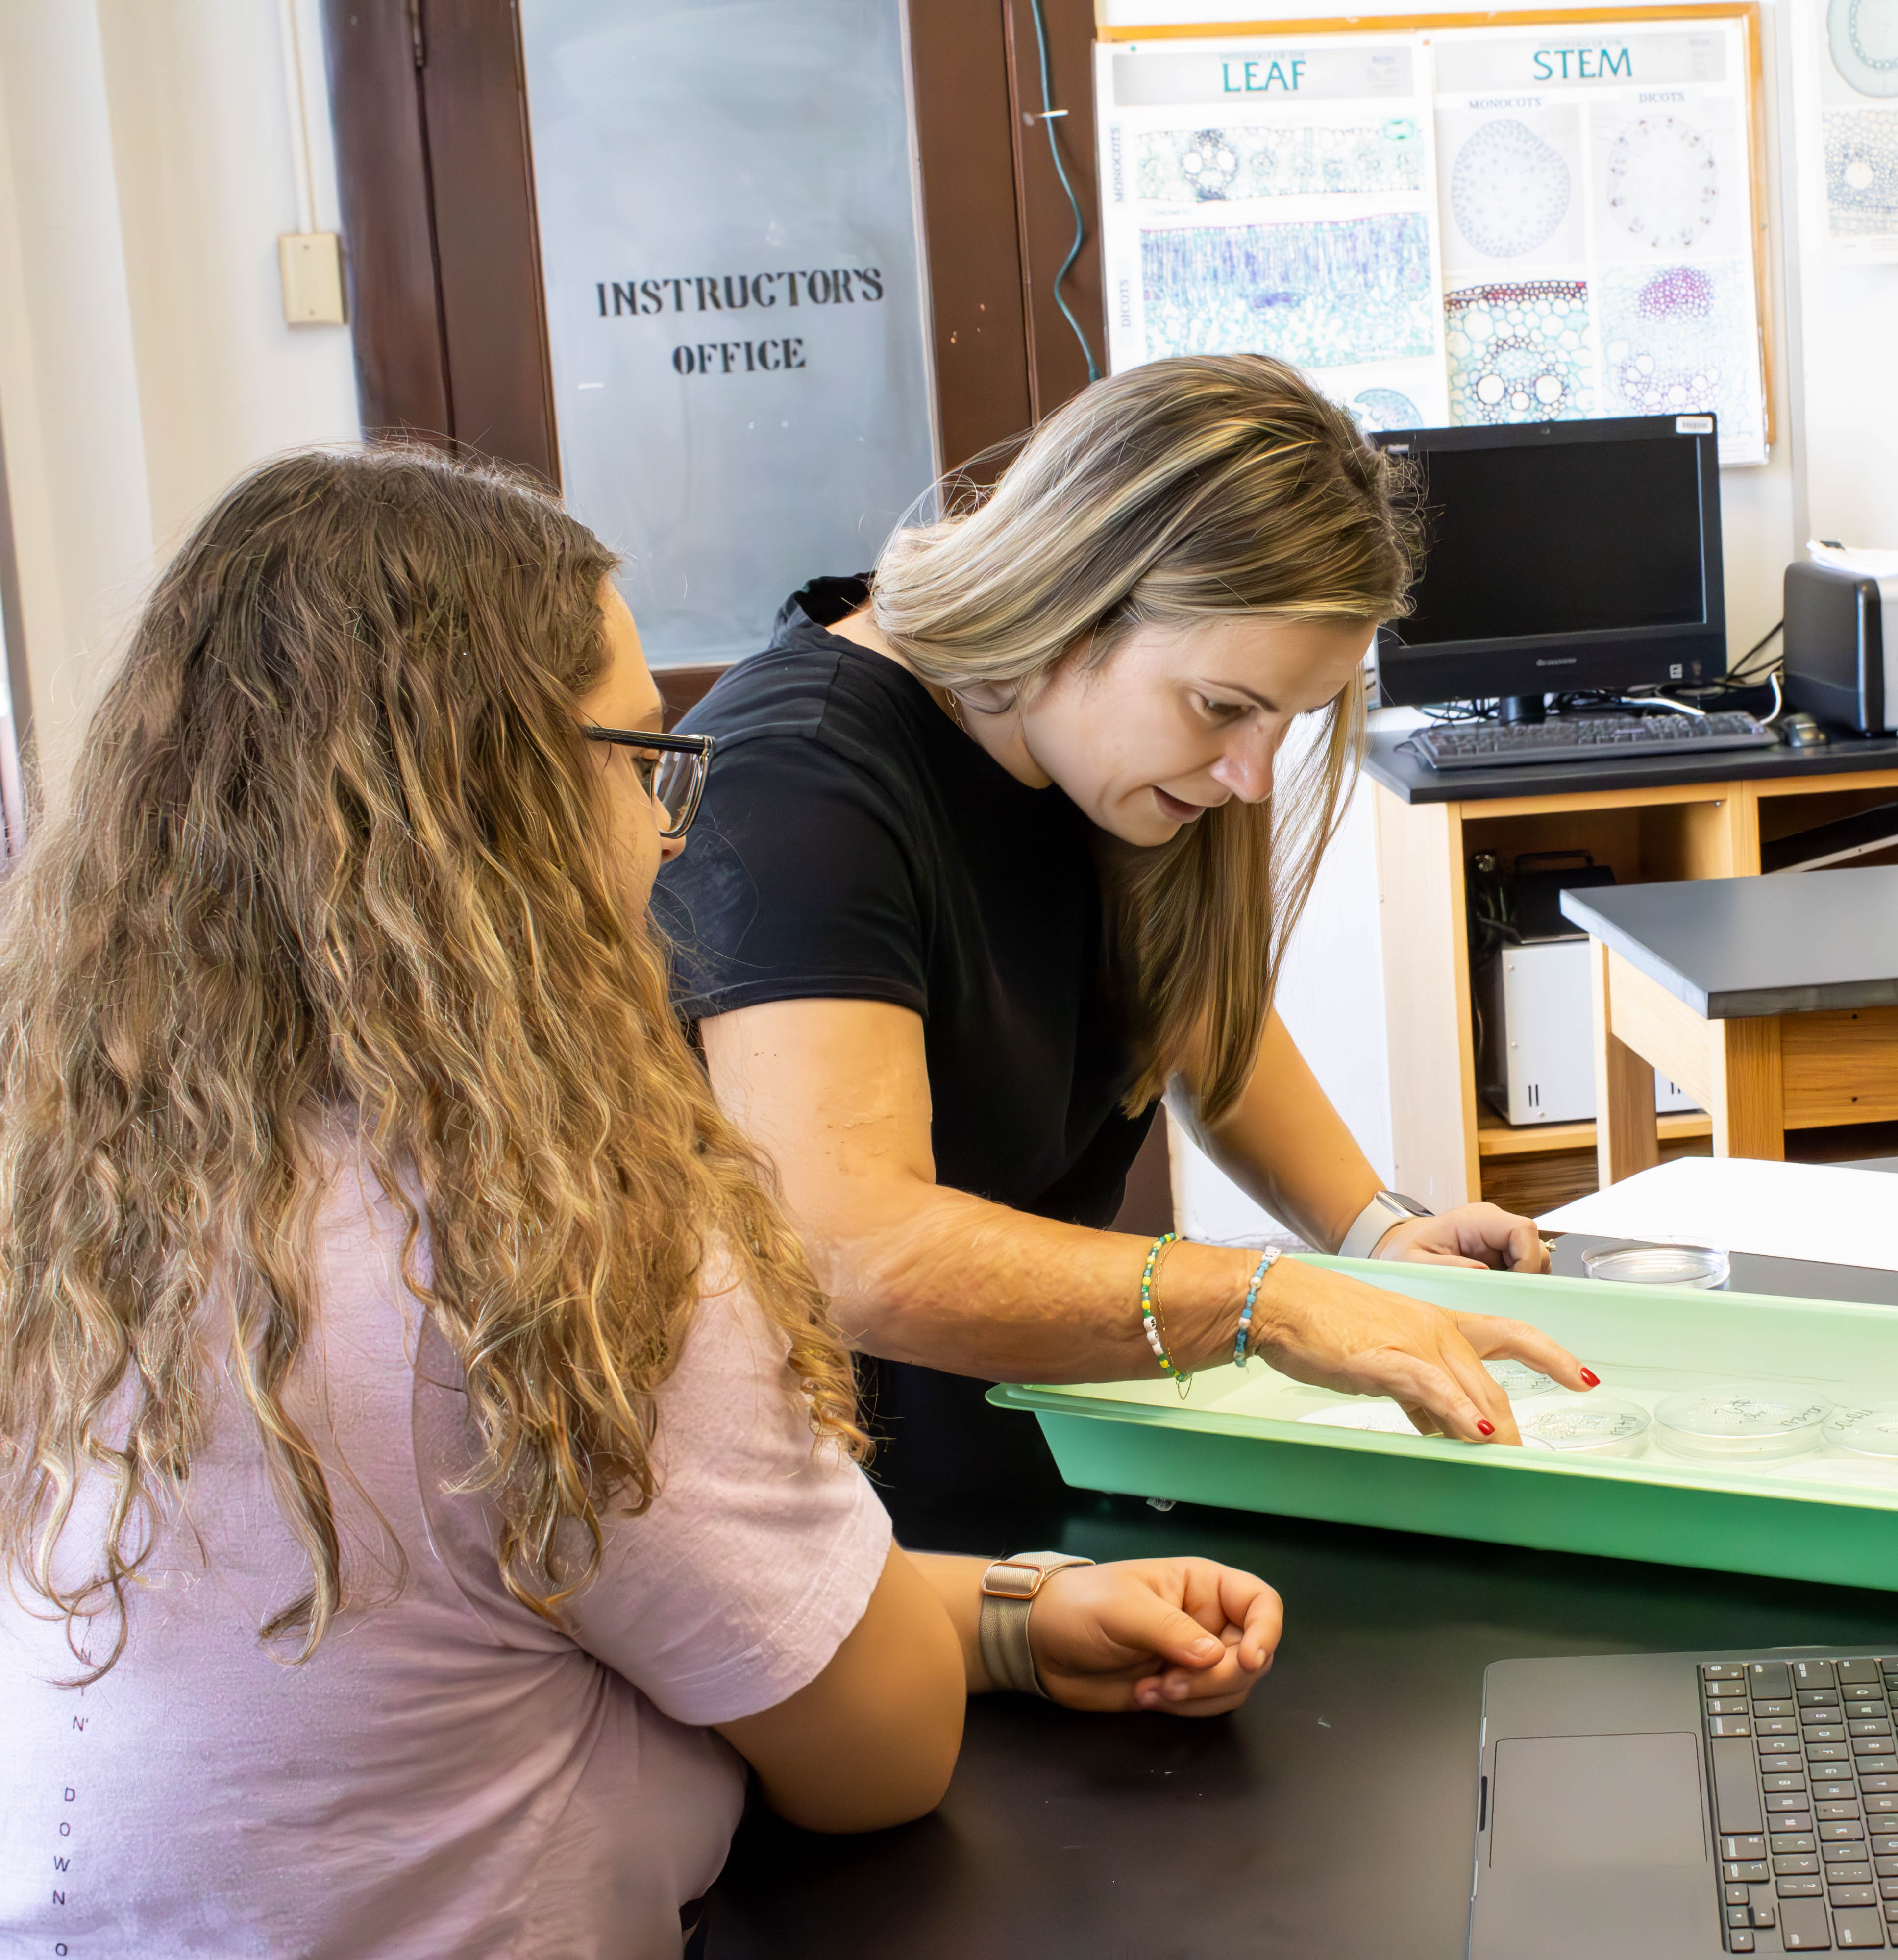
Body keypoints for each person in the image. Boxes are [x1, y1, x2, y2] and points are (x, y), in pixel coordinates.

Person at [0, 449, 1282, 1956]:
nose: (670, 826)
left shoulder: (91, 1182)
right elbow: (876, 1756)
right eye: (640, 759)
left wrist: (1007, 1613)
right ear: (494, 806)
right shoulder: (542, 1256)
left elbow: (566, 1612)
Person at [664, 353, 1590, 1523]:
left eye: (1289, 721)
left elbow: (1193, 1005)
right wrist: (1271, 1300)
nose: (1253, 776)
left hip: (1026, 1445)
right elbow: (856, 1246)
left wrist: (1376, 1231)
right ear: (1073, 593)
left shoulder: (1100, 749)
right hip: (811, 1510)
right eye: (1223, 708)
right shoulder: (796, 783)